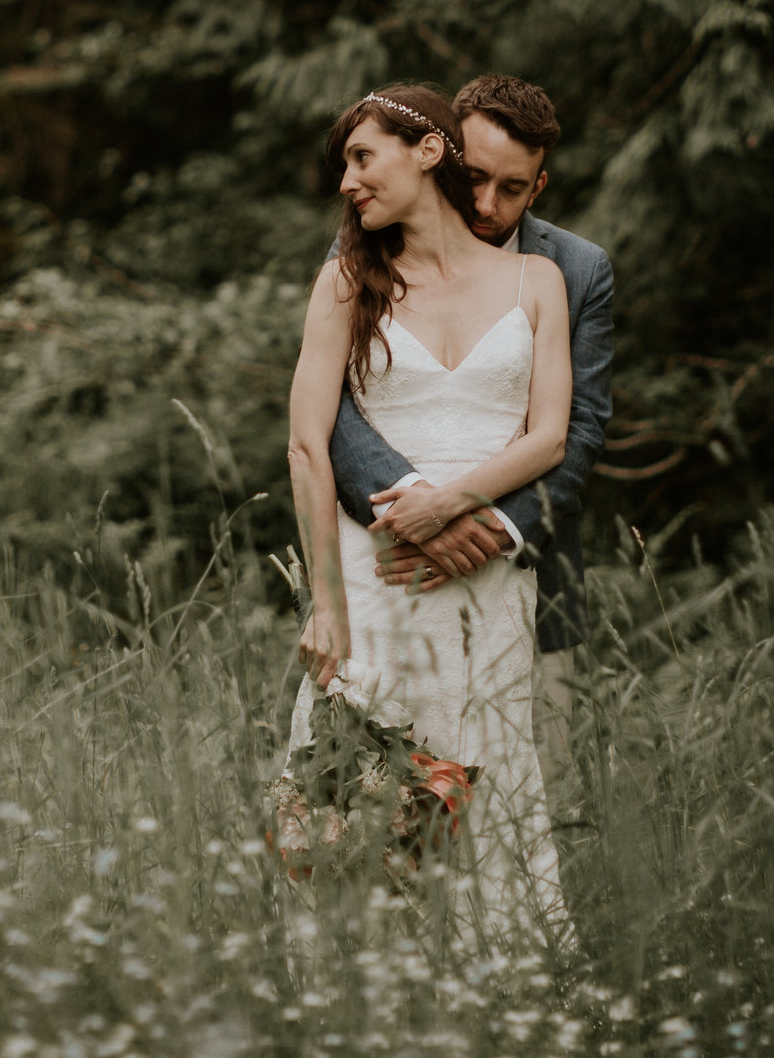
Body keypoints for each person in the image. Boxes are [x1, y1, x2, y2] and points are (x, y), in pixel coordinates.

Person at [284, 82, 575, 948]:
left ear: (428, 151)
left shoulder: (539, 281)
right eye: (345, 164)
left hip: (487, 588)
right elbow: (307, 446)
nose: (348, 180)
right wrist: (327, 605)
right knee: (355, 812)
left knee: (492, 797)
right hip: (374, 586)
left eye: (362, 156)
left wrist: (453, 501)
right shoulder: (346, 281)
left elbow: (552, 435)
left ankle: (505, 1009)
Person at [328, 75, 612, 802]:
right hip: (390, 558)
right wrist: (416, 511)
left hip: (522, 563)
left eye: (512, 188)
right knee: (375, 794)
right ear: (440, 152)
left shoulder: (574, 271)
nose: (487, 204)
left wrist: (490, 526)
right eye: (475, 176)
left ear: (539, 185)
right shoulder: (371, 241)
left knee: (523, 795)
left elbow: (576, 431)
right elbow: (337, 413)